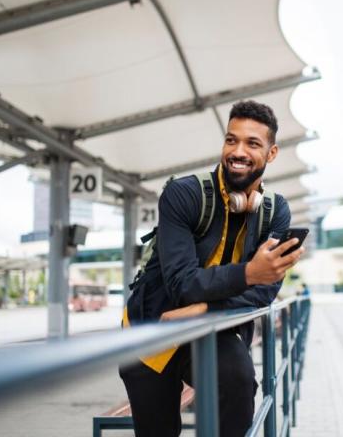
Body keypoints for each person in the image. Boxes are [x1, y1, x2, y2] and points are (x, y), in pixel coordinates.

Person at [119, 100, 304, 437]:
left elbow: (266, 290)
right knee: (157, 431)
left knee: (239, 383)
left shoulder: (275, 211)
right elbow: (181, 285)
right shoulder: (183, 195)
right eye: (231, 140)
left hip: (211, 325)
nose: (238, 151)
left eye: (252, 143)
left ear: (272, 153)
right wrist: (249, 273)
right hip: (154, 325)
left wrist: (207, 307)